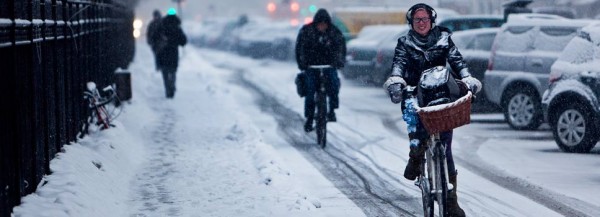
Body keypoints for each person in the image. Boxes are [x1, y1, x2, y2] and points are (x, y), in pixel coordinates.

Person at [382, 3, 481, 217]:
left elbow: (457, 60)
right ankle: (415, 154)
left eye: (424, 19)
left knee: (445, 147)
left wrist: (467, 77)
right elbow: (398, 64)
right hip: (415, 93)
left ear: (431, 20)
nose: (421, 23)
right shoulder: (404, 43)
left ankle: (451, 201)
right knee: (414, 123)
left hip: (439, 94)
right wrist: (397, 81)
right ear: (411, 22)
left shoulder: (444, 38)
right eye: (417, 19)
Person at [295, 8, 346, 132]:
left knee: (334, 85)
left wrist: (339, 61)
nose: (322, 27)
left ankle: (332, 110)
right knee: (310, 91)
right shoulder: (306, 31)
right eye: (320, 24)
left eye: (324, 24)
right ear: (316, 23)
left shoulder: (334, 32)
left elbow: (342, 47)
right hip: (311, 67)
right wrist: (302, 63)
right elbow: (299, 48)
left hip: (329, 66)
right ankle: (310, 117)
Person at [155, 10, 187, 98]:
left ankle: (167, 89)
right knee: (173, 71)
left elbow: (155, 37)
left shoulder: (162, 26)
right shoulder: (177, 28)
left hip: (163, 53)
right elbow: (183, 41)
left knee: (165, 72)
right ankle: (172, 86)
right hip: (173, 53)